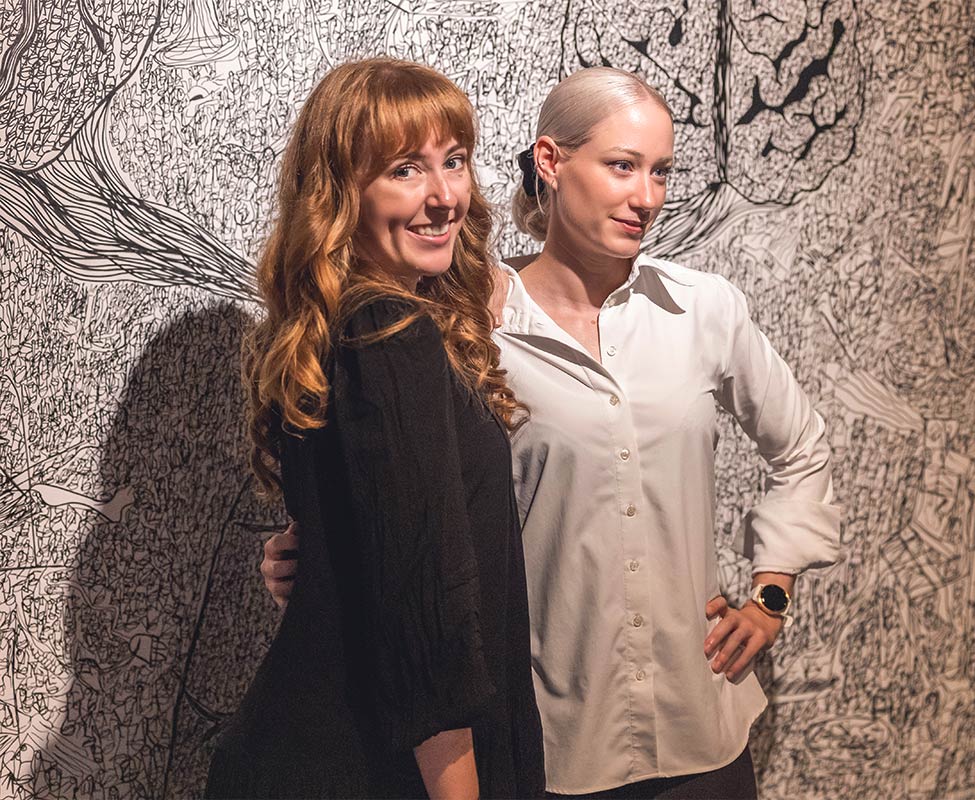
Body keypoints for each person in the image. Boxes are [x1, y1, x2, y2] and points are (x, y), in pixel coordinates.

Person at [261, 66, 841, 799]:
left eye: (661, 171)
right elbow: (414, 503)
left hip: (700, 728)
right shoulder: (471, 323)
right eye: (623, 166)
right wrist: (321, 558)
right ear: (550, 161)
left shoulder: (703, 310)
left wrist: (771, 594)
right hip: (552, 742)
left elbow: (802, 448)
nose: (647, 196)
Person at [208, 58, 544, 799]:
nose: (445, 196)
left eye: (454, 160)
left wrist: (320, 566)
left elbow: (377, 543)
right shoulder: (389, 330)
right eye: (404, 169)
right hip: (379, 766)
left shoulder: (352, 323)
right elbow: (427, 619)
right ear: (341, 195)